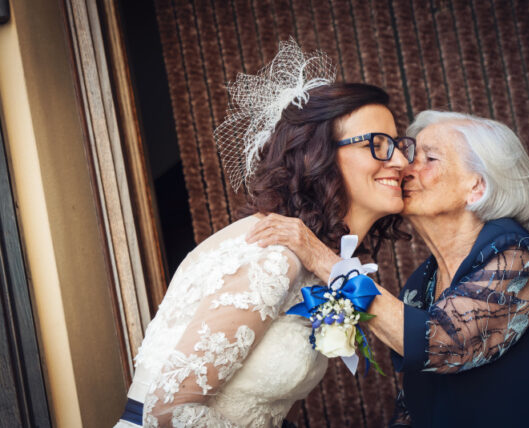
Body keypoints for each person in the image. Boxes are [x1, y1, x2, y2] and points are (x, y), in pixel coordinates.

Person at [114, 39, 416, 427]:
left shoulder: (312, 255)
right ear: (319, 155)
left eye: (398, 145)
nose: (401, 161)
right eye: (378, 144)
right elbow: (167, 413)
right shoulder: (272, 254)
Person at [247, 110, 529, 427]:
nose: (405, 167)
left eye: (429, 158)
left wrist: (320, 257)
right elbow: (416, 406)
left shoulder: (521, 259)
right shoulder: (421, 285)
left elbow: (441, 343)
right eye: (411, 155)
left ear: (476, 188)